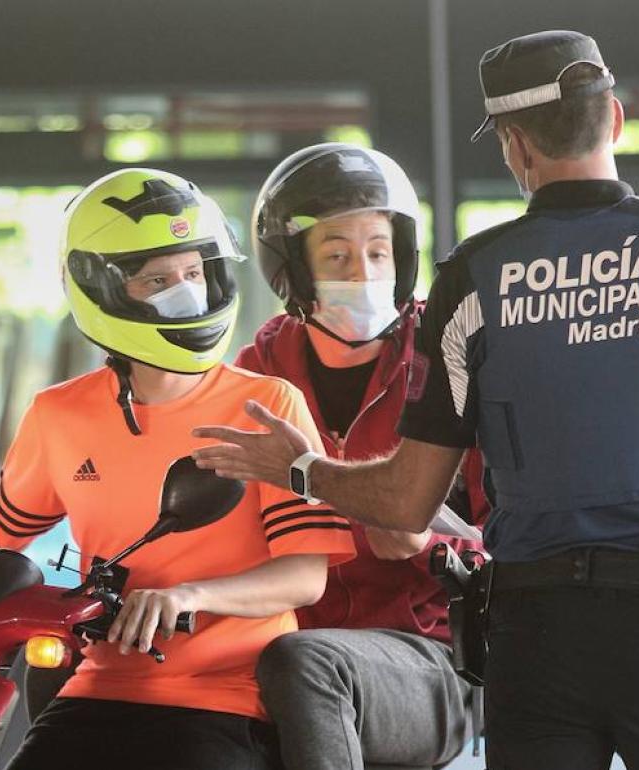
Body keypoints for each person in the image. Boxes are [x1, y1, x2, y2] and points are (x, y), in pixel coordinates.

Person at [193, 30, 639, 770]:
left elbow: (405, 502)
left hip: (534, 640)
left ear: (515, 147)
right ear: (613, 119)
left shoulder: (471, 282)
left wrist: (304, 471)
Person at [0, 168, 354, 770]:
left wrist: (189, 594)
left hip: (228, 697)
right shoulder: (59, 413)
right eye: (158, 279)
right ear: (102, 290)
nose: (185, 292)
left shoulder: (267, 405)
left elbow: (304, 576)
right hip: (98, 686)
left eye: (193, 273)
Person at [235, 142, 486, 770]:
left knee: (305, 663)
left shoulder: (454, 364)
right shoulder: (254, 379)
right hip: (274, 644)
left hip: (429, 657)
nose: (364, 271)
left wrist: (429, 548)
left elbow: (516, 549)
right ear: (292, 267)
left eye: (378, 252)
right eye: (338, 255)